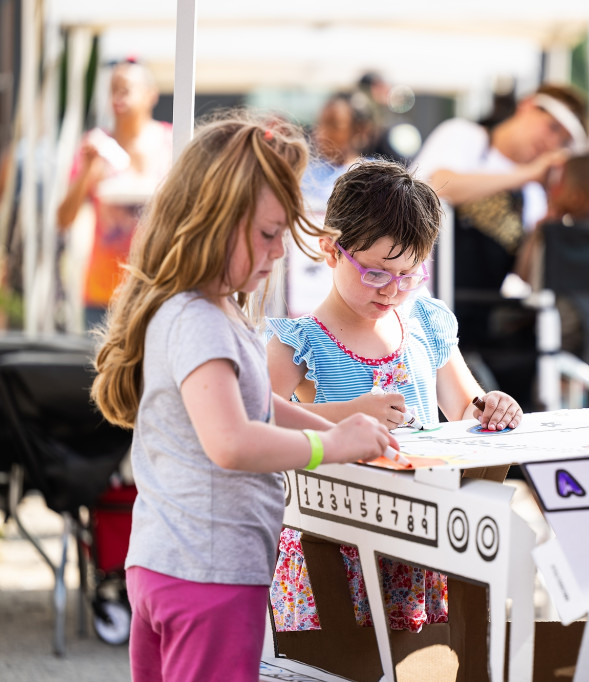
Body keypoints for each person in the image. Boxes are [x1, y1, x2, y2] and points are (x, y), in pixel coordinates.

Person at [90, 111, 397, 682]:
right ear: (212, 220)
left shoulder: (197, 309)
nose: (279, 252)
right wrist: (324, 449)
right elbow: (231, 442)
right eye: (267, 233)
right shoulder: (202, 320)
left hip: (164, 565)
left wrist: (337, 433)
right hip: (211, 574)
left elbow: (254, 404)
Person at [264, 159, 523, 633]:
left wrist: (492, 406)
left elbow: (466, 404)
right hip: (334, 541)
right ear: (330, 250)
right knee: (344, 658)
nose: (392, 291)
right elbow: (255, 421)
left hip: (420, 536)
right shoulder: (300, 341)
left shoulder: (423, 320)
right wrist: (352, 415)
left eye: (409, 275)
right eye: (377, 274)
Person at [411, 83, 589, 406]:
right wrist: (525, 174)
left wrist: (546, 224)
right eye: (552, 127)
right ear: (527, 106)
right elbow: (437, 184)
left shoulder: (532, 194)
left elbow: (521, 275)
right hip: (417, 305)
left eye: (563, 141)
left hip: (475, 322)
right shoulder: (465, 136)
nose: (551, 143)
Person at [57, 58, 174, 330]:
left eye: (125, 89)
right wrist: (86, 171)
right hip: (103, 295)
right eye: (113, 90)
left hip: (157, 289)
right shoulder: (96, 147)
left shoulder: (170, 143)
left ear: (150, 94)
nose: (117, 98)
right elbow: (63, 220)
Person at [286, 93, 374, 316]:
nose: (321, 133)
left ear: (359, 130)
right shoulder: (301, 173)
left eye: (334, 124)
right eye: (320, 123)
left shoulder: (375, 177)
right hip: (301, 289)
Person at [514, 152, 589, 288]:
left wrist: (539, 233)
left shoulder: (563, 242)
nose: (550, 190)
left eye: (558, 183)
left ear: (576, 198)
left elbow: (525, 276)